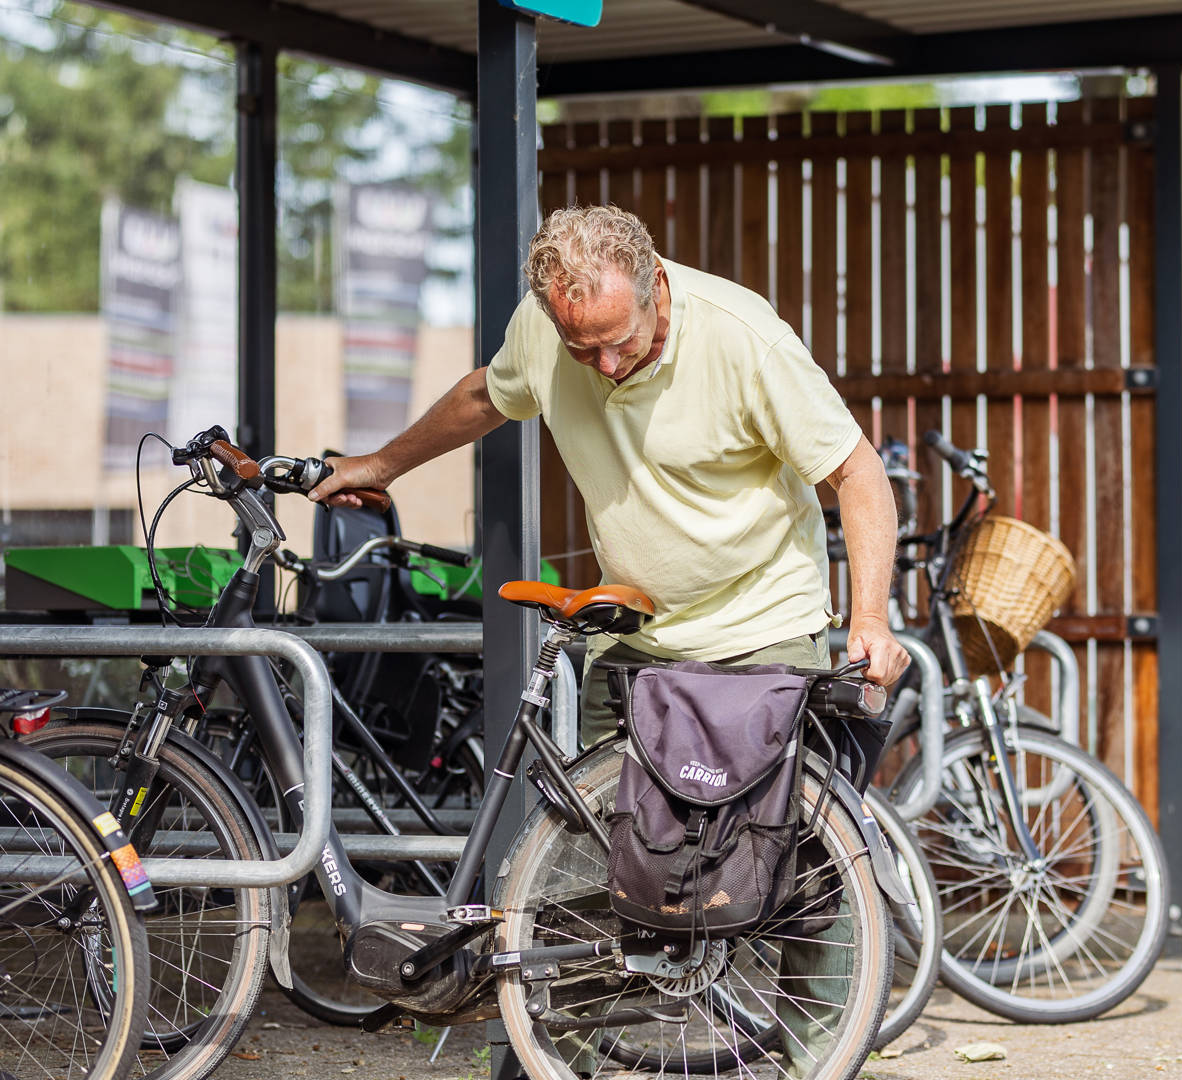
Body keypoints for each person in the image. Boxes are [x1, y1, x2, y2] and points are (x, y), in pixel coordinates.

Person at [311, 203, 909, 1074]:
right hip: (635, 634)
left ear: (657, 282)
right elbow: (487, 393)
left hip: (762, 628)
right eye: (580, 346)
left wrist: (871, 618)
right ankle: (567, 1053)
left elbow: (857, 472)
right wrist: (379, 466)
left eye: (617, 340)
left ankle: (817, 1057)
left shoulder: (743, 337)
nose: (603, 363)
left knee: (801, 872)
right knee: (602, 860)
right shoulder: (553, 330)